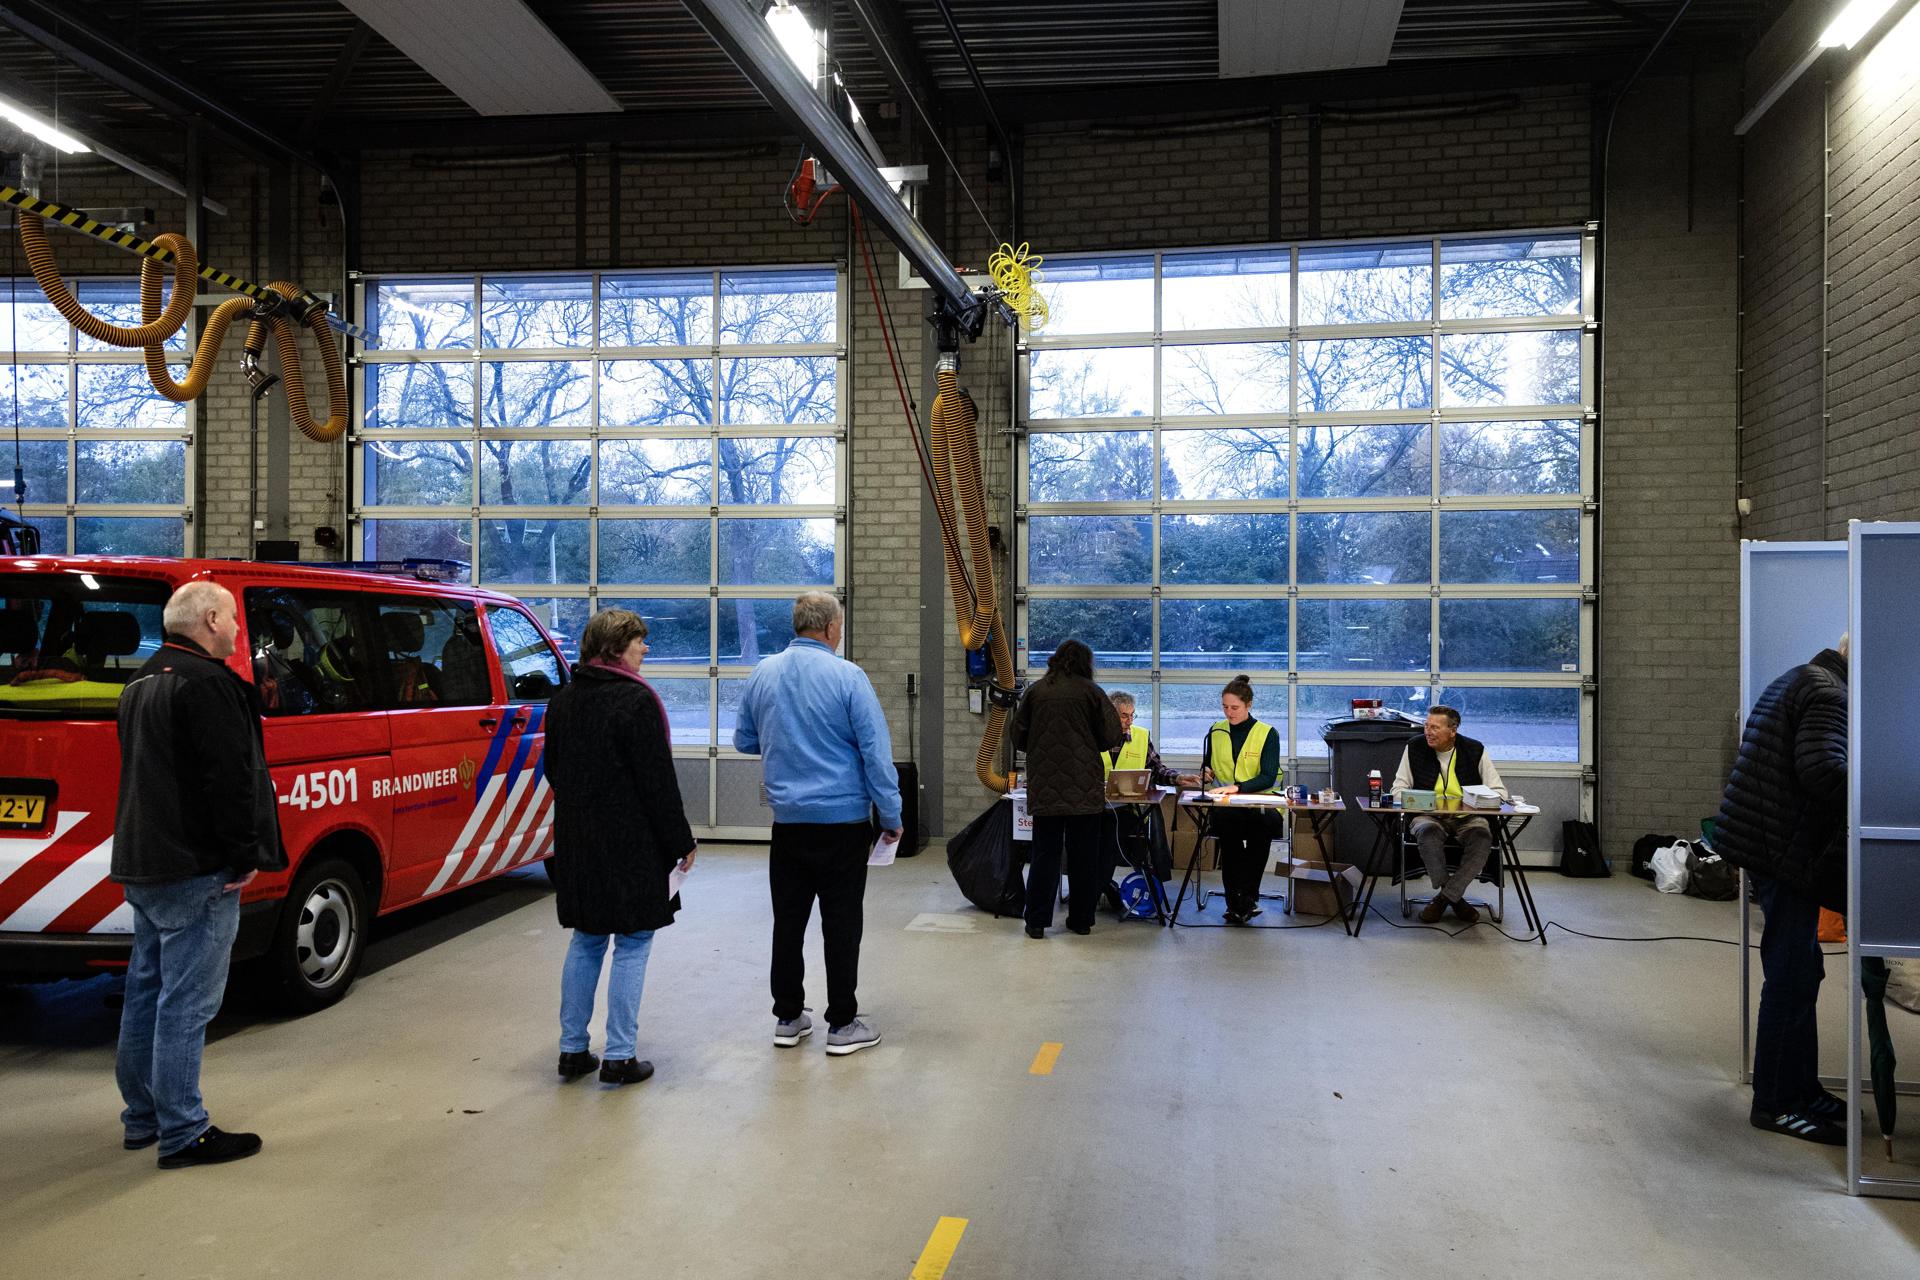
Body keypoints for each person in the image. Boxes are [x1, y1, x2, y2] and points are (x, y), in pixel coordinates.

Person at [111, 580, 286, 1169]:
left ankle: (142, 1118)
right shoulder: (212, 687)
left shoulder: (141, 680)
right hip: (196, 867)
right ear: (210, 619)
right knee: (186, 1005)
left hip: (143, 861)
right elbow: (228, 782)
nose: (239, 631)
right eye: (234, 619)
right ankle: (184, 1131)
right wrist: (242, 856)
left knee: (146, 993)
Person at [733, 592, 900, 1057]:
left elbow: (745, 740)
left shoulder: (763, 673)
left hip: (788, 826)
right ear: (829, 628)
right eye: (840, 625)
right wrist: (891, 816)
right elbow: (875, 754)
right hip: (843, 825)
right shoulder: (849, 677)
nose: (840, 632)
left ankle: (788, 1017)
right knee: (841, 924)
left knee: (788, 921)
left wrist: (787, 743)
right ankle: (842, 1024)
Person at [544, 609, 695, 1087]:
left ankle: (572, 1050)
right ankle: (620, 1056)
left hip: (576, 839)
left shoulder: (563, 699)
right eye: (639, 641)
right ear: (615, 646)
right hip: (629, 843)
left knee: (586, 938)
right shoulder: (634, 701)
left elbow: (553, 769)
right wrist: (681, 841)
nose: (645, 649)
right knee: (632, 941)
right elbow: (656, 782)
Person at [1714, 637, 1849, 1145]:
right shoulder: (1830, 695)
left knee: (1801, 969)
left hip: (1768, 843)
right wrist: (1876, 787)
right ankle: (1774, 1103)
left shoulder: (1800, 676)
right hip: (1783, 851)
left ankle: (1802, 1088)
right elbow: (1821, 771)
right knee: (1791, 976)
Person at [1010, 640, 1125, 939]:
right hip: (1084, 790)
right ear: (1086, 662)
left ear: (1055, 660)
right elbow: (1111, 736)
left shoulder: (1036, 691)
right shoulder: (1092, 692)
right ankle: (1081, 920)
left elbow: (1018, 736)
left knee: (1044, 855)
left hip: (1045, 787)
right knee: (1083, 856)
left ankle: (1036, 922)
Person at [1390, 705, 1509, 925]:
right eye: (1426, 726)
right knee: (1427, 833)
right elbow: (1397, 789)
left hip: (1468, 818)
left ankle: (1443, 899)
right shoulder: (1414, 747)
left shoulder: (1474, 750)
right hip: (1428, 816)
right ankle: (1455, 900)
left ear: (1452, 731)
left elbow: (1500, 792)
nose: (1428, 732)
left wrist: (1477, 800)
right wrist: (1422, 801)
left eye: (1435, 727)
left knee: (1483, 837)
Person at [1202, 675, 1282, 925]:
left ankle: (1247, 897)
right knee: (1230, 840)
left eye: (1234, 707)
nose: (1229, 712)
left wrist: (1238, 787)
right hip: (1228, 806)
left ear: (1249, 705)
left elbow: (1268, 776)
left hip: (1260, 802)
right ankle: (1235, 901)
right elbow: (1207, 763)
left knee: (1260, 833)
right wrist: (1206, 772)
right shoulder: (1216, 731)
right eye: (1225, 707)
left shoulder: (1267, 733)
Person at [1102, 691, 1199, 889]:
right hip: (1097, 809)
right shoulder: (1092, 737)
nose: (1129, 721)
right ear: (1109, 714)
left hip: (1131, 812)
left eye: (1132, 715)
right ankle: (1101, 886)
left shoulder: (1140, 736)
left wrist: (1179, 778)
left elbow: (1156, 770)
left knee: (1114, 833)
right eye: (1124, 715)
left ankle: (1107, 886)